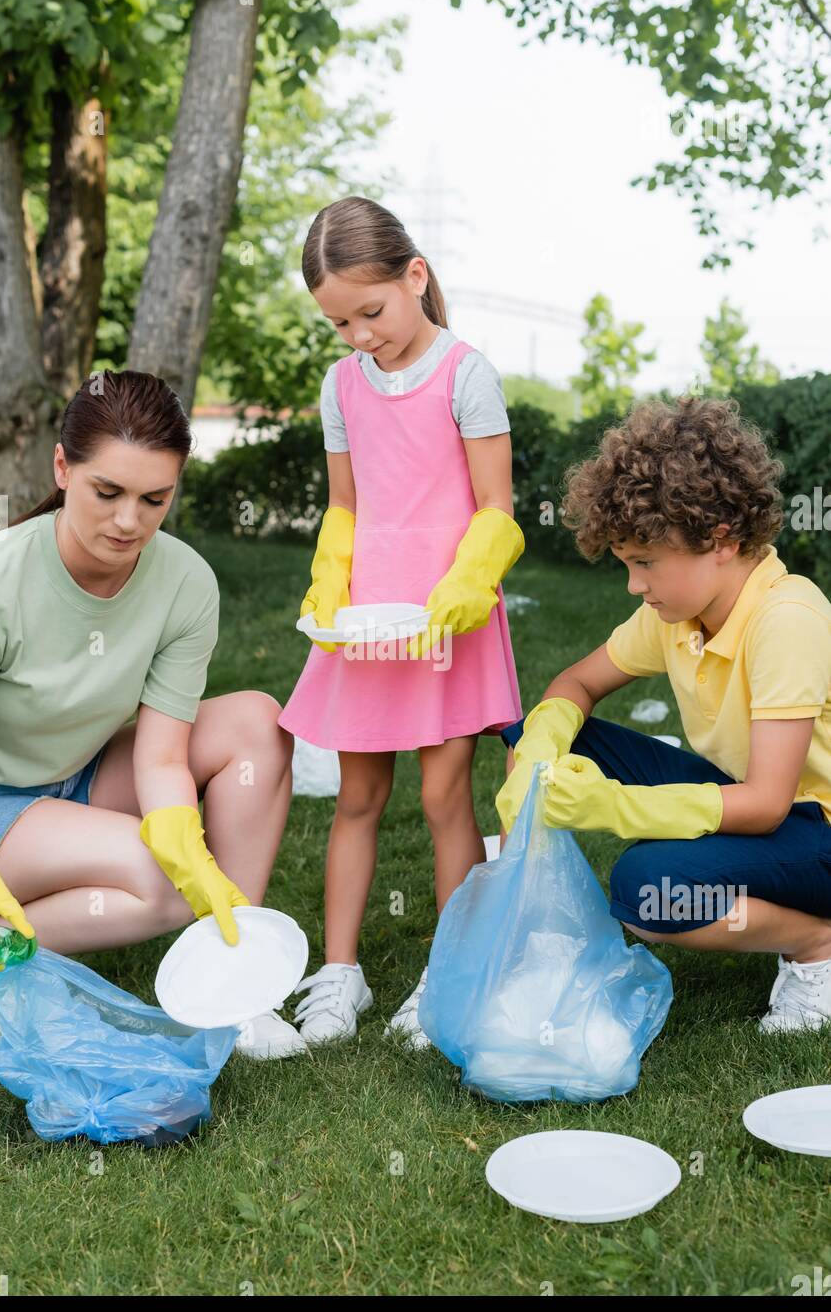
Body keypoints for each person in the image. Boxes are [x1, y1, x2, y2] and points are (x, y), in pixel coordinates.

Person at [0, 370, 298, 1059]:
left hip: (73, 777)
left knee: (257, 724)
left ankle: (238, 982)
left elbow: (160, 756)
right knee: (158, 882)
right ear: (62, 468)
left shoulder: (183, 581)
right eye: (107, 492)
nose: (128, 522)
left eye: (155, 499)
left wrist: (185, 837)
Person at [496, 395, 831, 1034]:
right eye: (627, 564)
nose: (634, 586)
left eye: (646, 563)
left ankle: (817, 946)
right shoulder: (677, 615)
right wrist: (541, 747)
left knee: (650, 893)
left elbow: (765, 804)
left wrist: (614, 808)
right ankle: (528, 937)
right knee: (532, 732)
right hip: (756, 804)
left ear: (721, 540)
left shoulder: (787, 619)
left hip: (819, 831)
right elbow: (577, 682)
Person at [277, 196, 524, 1049]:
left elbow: (498, 509)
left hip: (447, 619)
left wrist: (468, 583)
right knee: (357, 796)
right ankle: (340, 973)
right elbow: (345, 504)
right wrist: (328, 569)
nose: (357, 336)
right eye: (338, 322)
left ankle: (447, 976)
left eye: (369, 312)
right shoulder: (341, 385)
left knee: (441, 793)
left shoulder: (467, 375)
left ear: (413, 275)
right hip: (371, 621)